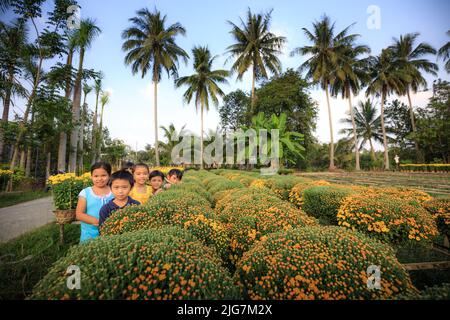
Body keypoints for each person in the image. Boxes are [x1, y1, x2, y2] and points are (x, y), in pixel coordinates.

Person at [76, 162, 114, 243]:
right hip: (89, 234)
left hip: (111, 232)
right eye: (96, 176)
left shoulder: (114, 191)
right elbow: (79, 214)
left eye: (103, 175)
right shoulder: (85, 193)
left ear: (109, 176)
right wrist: (97, 221)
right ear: (91, 177)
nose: (99, 179)